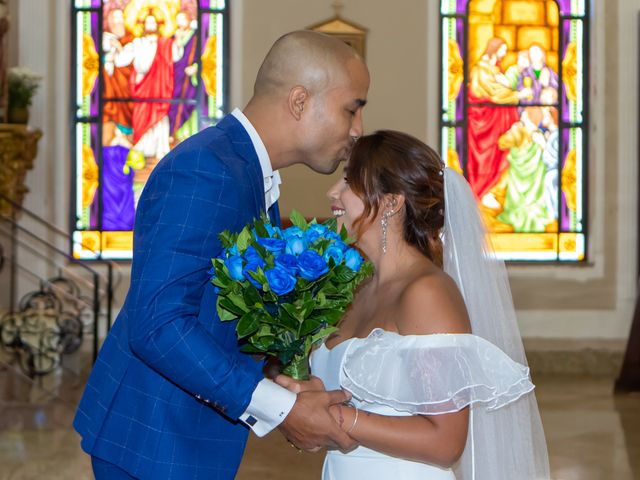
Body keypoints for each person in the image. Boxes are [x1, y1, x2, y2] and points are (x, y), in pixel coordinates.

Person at [74, 30, 370, 479]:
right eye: (352, 108)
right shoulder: (206, 170)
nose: (357, 130)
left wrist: (283, 371)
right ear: (299, 101)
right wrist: (282, 409)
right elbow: (158, 324)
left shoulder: (246, 170)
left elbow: (218, 313)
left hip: (182, 437)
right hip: (154, 443)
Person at [278, 130, 550, 479]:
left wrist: (339, 418)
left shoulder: (426, 293)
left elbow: (445, 441)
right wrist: (311, 399)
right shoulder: (356, 287)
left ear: (392, 202)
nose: (333, 192)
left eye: (348, 181)